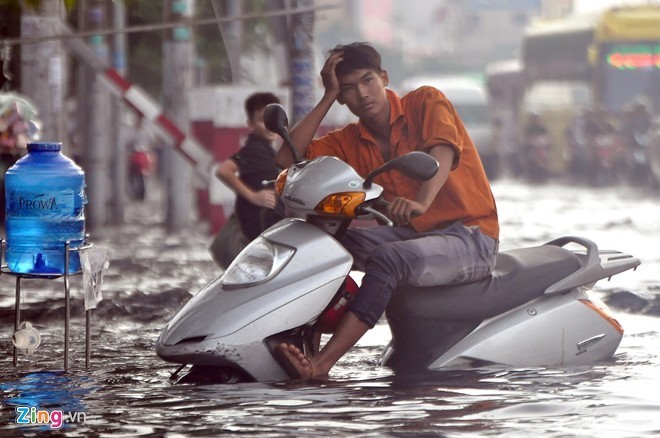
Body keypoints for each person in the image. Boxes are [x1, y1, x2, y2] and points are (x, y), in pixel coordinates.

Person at [274, 42, 499, 380]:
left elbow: (442, 151)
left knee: (388, 259)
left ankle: (322, 365)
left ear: (384, 77)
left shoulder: (424, 101)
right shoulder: (346, 141)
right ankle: (305, 343)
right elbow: (286, 162)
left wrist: (421, 201)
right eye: (349, 88)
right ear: (342, 98)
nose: (362, 94)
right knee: (319, 240)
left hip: (470, 237)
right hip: (414, 236)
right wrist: (326, 96)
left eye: (367, 81)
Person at [215, 92, 283, 242]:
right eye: (261, 120)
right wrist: (252, 196)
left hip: (265, 220)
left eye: (272, 120)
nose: (269, 125)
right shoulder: (253, 149)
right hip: (258, 220)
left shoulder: (267, 150)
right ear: (251, 124)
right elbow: (224, 170)